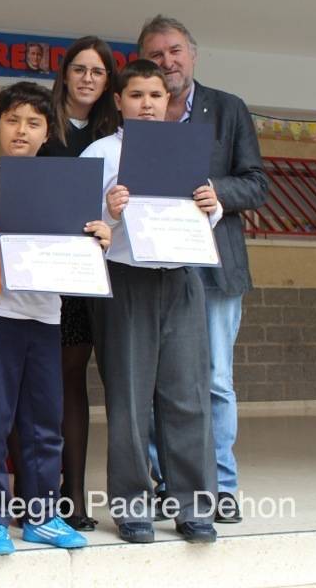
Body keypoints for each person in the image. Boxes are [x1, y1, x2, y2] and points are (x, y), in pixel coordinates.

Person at [0, 82, 107, 555]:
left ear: (46, 131)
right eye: (12, 120)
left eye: (33, 123)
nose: (21, 131)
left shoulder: (61, 182)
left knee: (44, 421)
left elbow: (84, 236)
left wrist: (100, 238)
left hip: (44, 316)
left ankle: (43, 516)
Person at [80, 58, 220, 545]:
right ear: (118, 102)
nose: (146, 104)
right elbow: (81, 223)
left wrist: (213, 206)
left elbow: (205, 212)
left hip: (181, 278)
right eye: (136, 95)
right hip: (127, 280)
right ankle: (132, 506)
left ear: (169, 102)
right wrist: (108, 209)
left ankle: (193, 506)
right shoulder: (99, 152)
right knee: (130, 400)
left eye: (155, 96)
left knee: (188, 397)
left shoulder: (187, 148)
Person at [137, 16, 268, 523]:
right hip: (150, 266)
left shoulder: (227, 109)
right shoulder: (134, 109)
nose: (167, 62)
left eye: (174, 51)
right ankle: (167, 480)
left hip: (214, 268)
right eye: (156, 54)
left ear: (193, 54)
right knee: (153, 381)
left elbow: (256, 182)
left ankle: (221, 486)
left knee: (213, 380)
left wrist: (219, 192)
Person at [5, 36, 119, 531]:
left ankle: (72, 495)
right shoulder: (40, 126)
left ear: (109, 81)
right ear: (65, 74)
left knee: (70, 381)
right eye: (79, 68)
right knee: (26, 383)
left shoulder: (114, 134)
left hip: (82, 273)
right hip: (32, 267)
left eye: (98, 70)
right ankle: (27, 491)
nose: (88, 78)